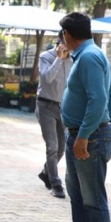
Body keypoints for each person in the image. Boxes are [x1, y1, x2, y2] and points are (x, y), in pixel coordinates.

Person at [59, 12, 111, 222]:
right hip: (81, 135)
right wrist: (105, 120)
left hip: (88, 138)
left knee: (93, 198)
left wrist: (90, 131)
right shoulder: (87, 55)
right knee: (77, 194)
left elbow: (99, 99)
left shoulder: (89, 57)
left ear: (67, 34)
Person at [36, 30, 73, 199]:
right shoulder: (46, 56)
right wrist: (59, 58)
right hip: (45, 105)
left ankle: (46, 172)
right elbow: (47, 78)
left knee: (61, 149)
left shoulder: (74, 59)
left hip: (64, 108)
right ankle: (55, 183)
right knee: (52, 146)